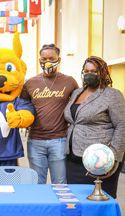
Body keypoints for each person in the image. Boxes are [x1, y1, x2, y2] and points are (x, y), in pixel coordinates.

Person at [64, 56, 125, 198]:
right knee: (76, 198)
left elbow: (121, 125)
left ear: (103, 73)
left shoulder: (112, 94)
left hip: (100, 159)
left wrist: (114, 158)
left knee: (100, 200)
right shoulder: (76, 93)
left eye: (94, 71)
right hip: (74, 157)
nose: (89, 74)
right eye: (86, 71)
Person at [20, 43, 79, 184]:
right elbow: (23, 107)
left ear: (58, 60)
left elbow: (79, 103)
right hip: (35, 140)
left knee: (59, 182)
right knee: (37, 183)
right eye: (44, 58)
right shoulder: (30, 84)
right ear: (39, 60)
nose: (47, 62)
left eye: (52, 58)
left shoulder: (69, 82)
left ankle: (59, 207)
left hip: (59, 140)